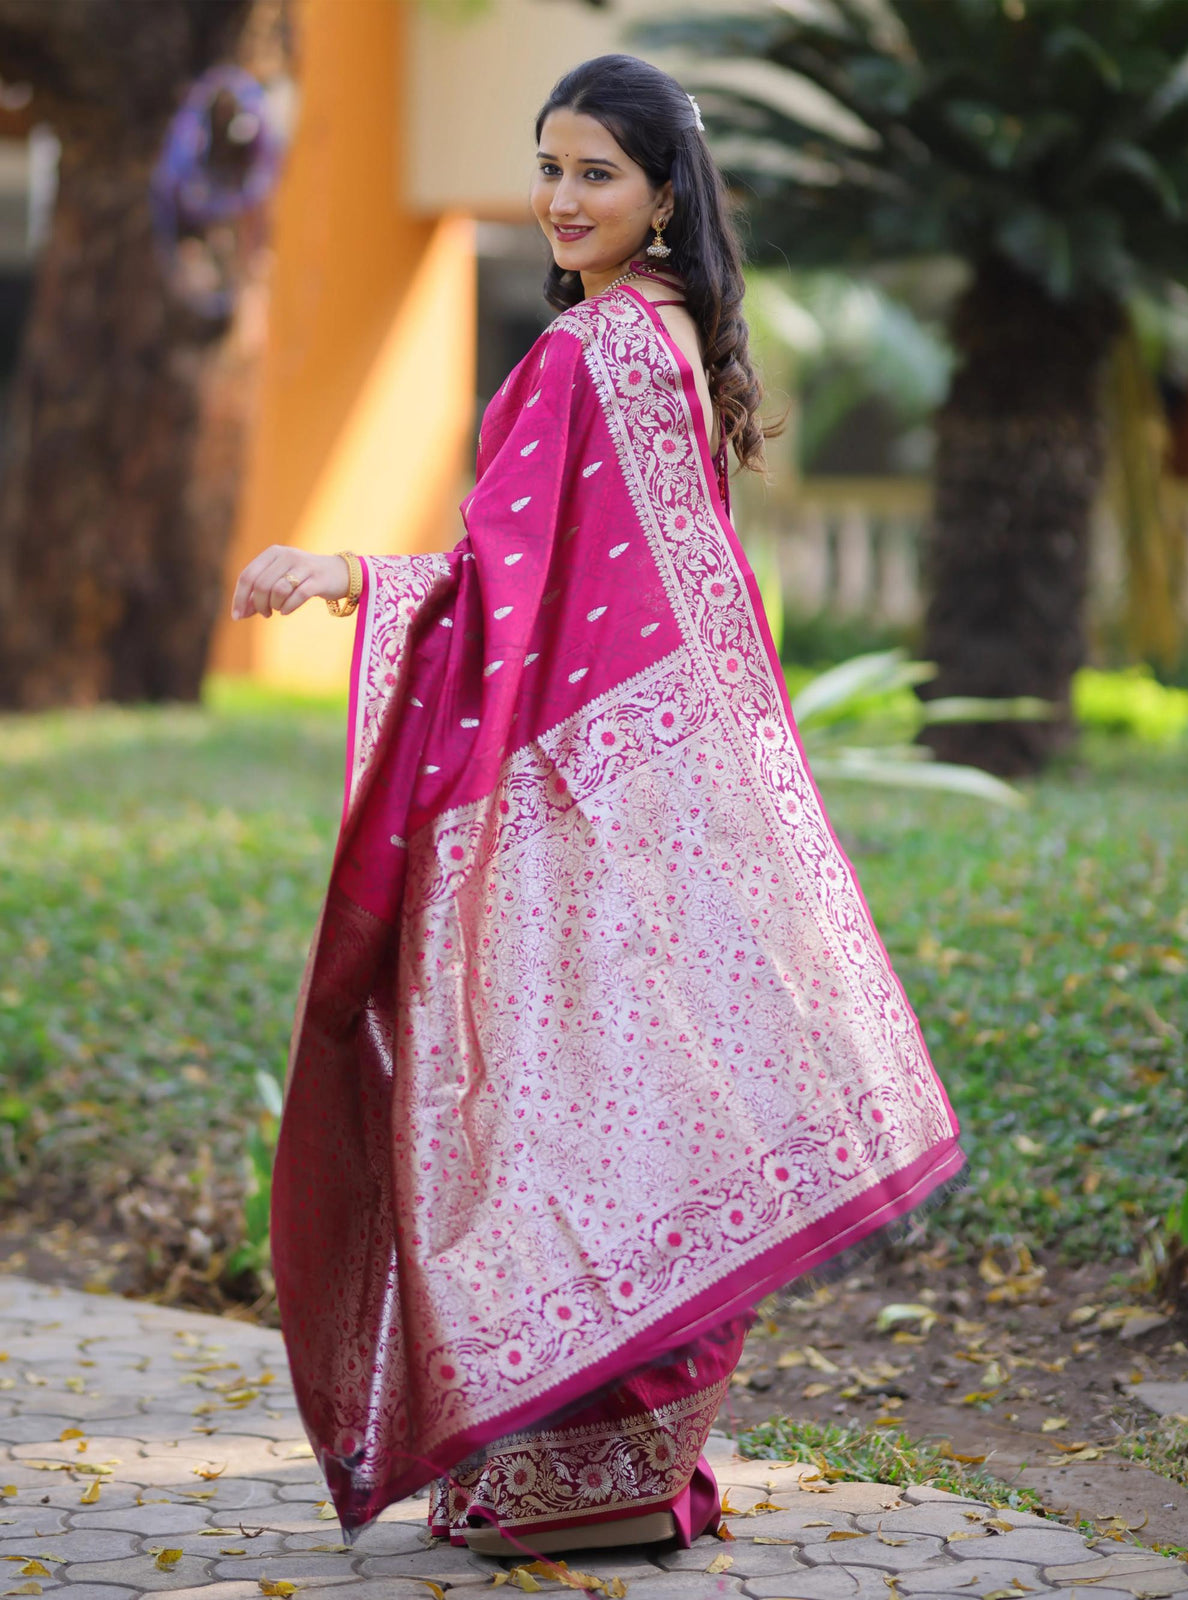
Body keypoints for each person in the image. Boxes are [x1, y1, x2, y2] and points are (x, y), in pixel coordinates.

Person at [231, 54, 964, 1559]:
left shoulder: (590, 355)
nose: (562, 199)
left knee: (570, 1107)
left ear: (663, 193)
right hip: (682, 791)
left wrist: (347, 579)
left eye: (597, 175)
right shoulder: (671, 335)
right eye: (549, 166)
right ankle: (618, 1475)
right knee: (650, 1107)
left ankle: (594, 1480)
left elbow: (506, 594)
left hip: (597, 798)